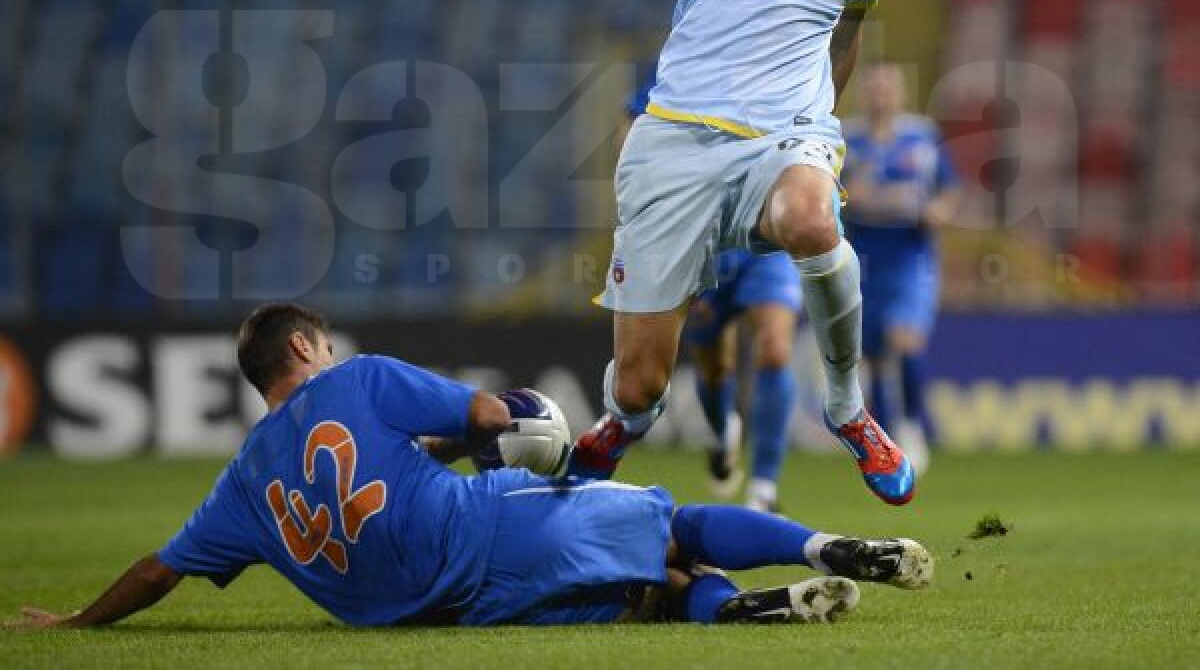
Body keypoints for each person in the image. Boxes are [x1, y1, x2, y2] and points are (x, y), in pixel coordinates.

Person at [6, 304, 932, 631]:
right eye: (322, 340)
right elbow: (493, 416)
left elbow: (159, 570)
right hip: (479, 526)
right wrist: (528, 426)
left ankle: (741, 610)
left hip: (442, 610)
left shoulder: (242, 484)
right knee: (671, 524)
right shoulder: (358, 379)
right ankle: (828, 548)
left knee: (647, 597)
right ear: (303, 345)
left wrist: (81, 621)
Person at [571, 0, 915, 505]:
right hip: (675, 138)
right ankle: (622, 423)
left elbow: (845, 31)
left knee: (812, 218)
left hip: (782, 138)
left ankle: (847, 408)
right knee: (640, 385)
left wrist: (820, 126)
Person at [626, 66, 804, 513]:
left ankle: (763, 488)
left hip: (766, 237)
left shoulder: (781, 64)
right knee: (713, 365)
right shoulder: (674, 70)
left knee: (775, 350)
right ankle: (724, 429)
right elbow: (632, 144)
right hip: (703, 240)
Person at [841, 62, 959, 474]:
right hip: (862, 256)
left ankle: (912, 425)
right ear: (863, 94)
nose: (881, 96)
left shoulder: (921, 137)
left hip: (910, 254)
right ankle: (887, 441)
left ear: (901, 93)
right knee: (873, 355)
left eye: (888, 88)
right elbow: (827, 195)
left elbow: (948, 190)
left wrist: (939, 212)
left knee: (906, 340)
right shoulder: (845, 141)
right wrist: (846, 196)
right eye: (874, 89)